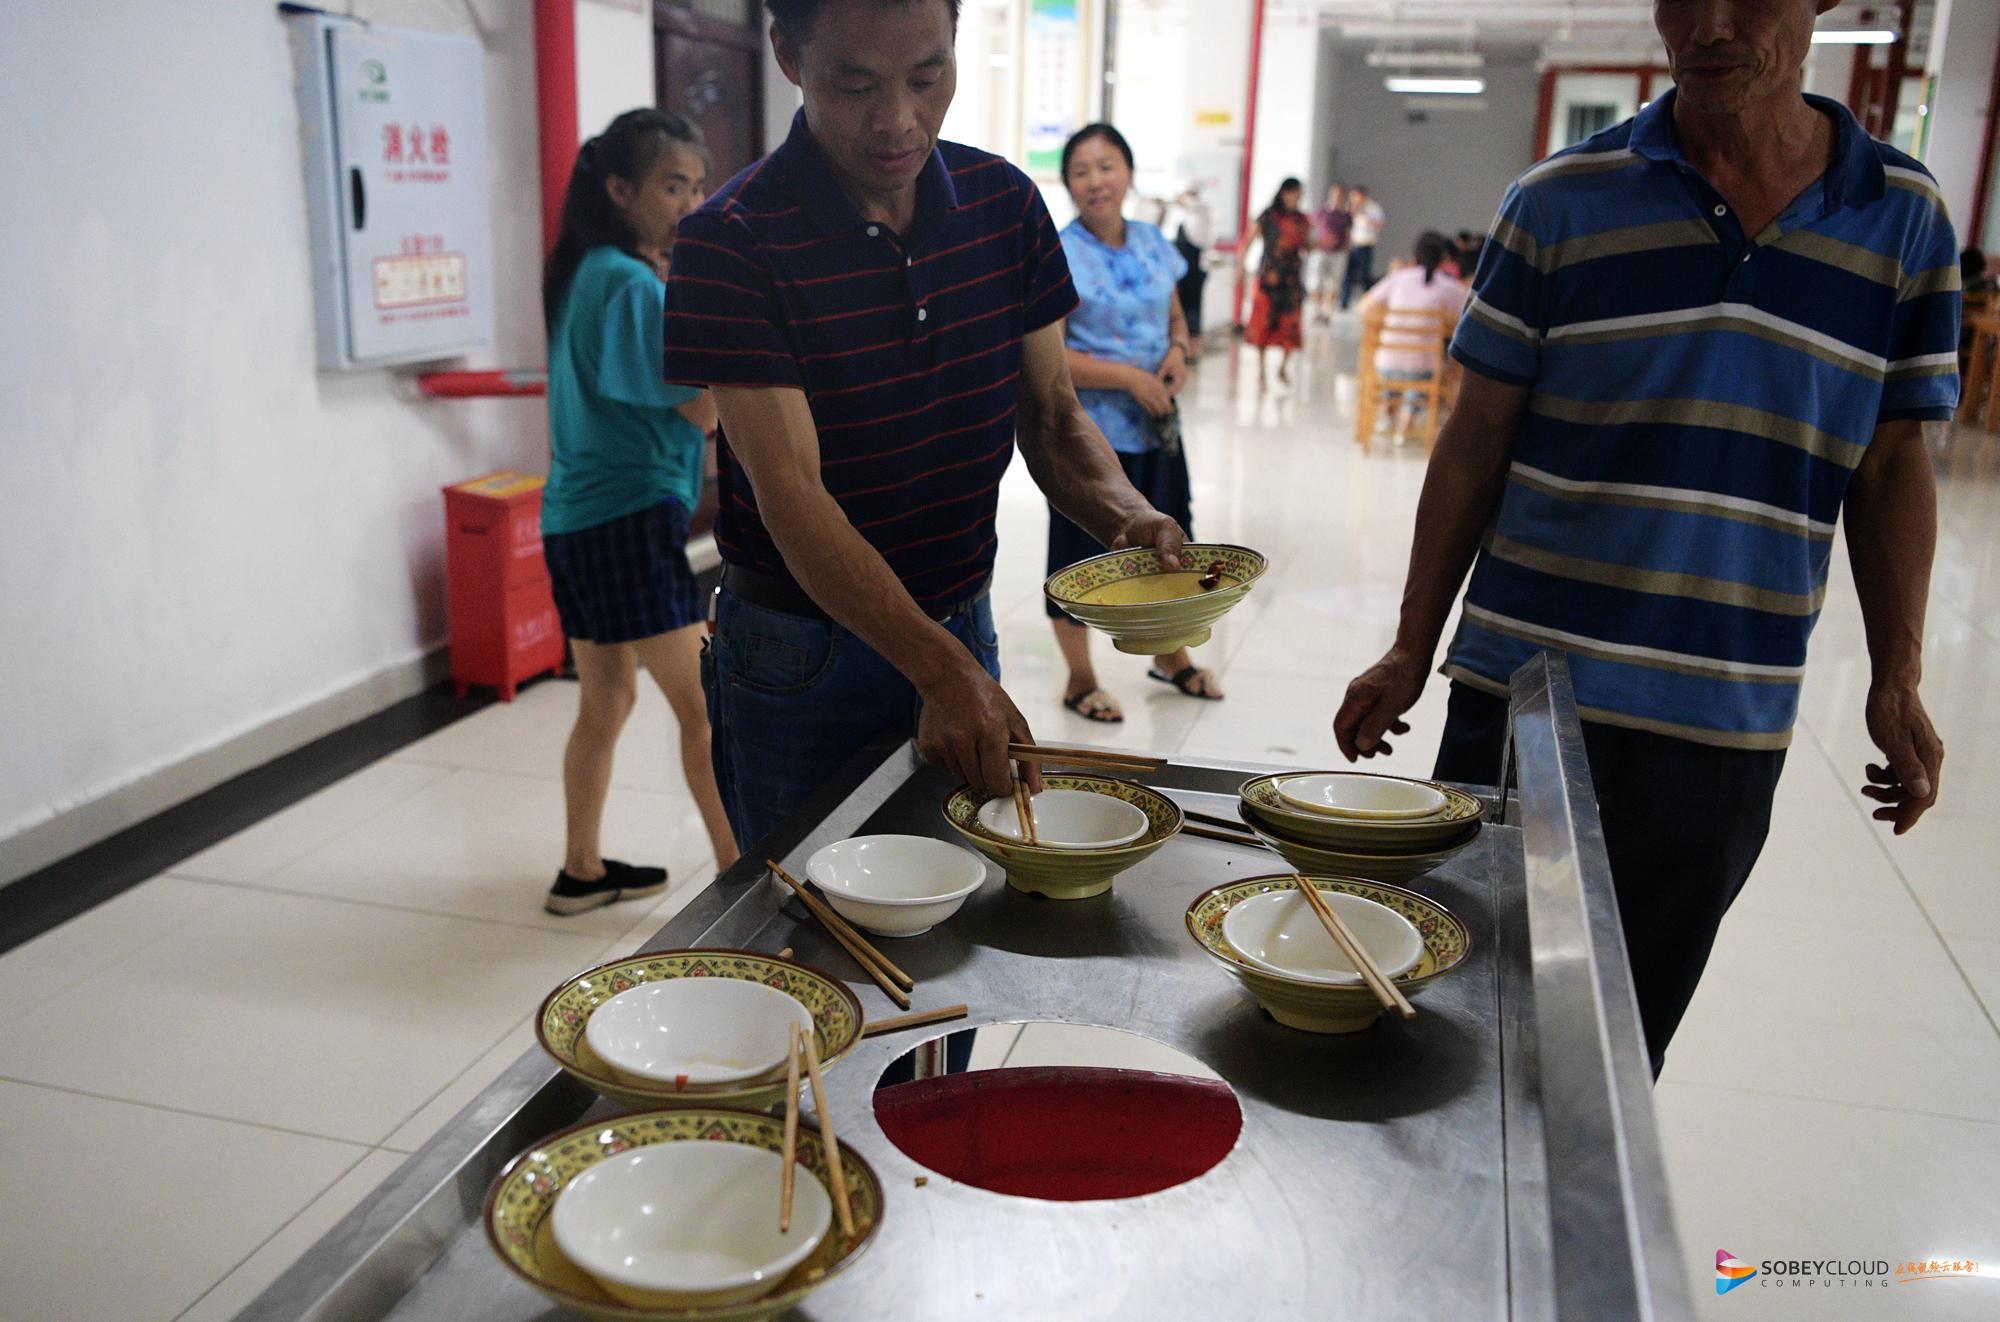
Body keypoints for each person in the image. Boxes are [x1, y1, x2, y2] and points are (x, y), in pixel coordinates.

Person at [1333, 0, 1958, 1077]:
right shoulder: (1557, 202)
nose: (1706, 25)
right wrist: (1408, 644)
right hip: (1526, 698)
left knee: (1610, 1053)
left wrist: (1895, 676)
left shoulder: (1900, 220)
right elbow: (1474, 439)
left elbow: (1893, 459)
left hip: (1721, 714)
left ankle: (1568, 1242)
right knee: (1445, 1024)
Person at [661, 0, 1185, 851]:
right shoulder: (732, 243)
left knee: (966, 903)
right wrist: (944, 670)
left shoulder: (1003, 207)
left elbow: (1052, 419)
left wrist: (1130, 519)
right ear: (788, 56)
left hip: (959, 617)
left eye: (927, 76)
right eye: (855, 83)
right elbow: (793, 499)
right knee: (812, 921)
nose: (898, 120)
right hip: (802, 653)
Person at [538, 109, 740, 915]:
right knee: (704, 707)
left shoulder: (586, 270)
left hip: (576, 521)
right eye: (670, 186)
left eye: (696, 187)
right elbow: (704, 410)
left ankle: (579, 872)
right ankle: (743, 881)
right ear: (620, 189)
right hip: (627, 519)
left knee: (607, 701)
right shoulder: (628, 282)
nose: (688, 204)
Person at [1045, 123, 1220, 724]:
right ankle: (1079, 678)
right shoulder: (1058, 251)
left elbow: (1176, 319)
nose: (1096, 181)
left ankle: (1170, 658)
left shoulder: (1151, 242)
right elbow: (1052, 357)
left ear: (1129, 172)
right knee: (1080, 555)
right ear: (1068, 183)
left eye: (1107, 165)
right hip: (1089, 435)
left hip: (1157, 428)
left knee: (1169, 542)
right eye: (1081, 171)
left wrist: (1178, 356)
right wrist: (1130, 379)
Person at [1355, 230, 1468, 442]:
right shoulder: (1449, 286)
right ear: (1443, 258)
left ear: (1414, 254)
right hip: (1424, 366)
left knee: (1394, 367)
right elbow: (1462, 315)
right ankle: (1407, 421)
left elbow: (1364, 307)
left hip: (1388, 363)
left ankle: (1390, 416)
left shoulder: (1398, 278)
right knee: (1431, 367)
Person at [1240, 177, 1311, 388]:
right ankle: (1261, 372)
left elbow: (1306, 246)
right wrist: (1240, 269)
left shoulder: (1302, 220)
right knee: (1263, 323)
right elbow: (1247, 242)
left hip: (1291, 279)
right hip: (1268, 278)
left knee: (1290, 324)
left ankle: (1282, 368)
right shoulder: (1268, 217)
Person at [1338, 185, 1385, 310]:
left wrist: (1365, 218)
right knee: (1348, 275)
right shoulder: (1349, 209)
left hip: (1366, 245)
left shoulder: (1373, 208)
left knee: (1365, 276)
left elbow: (1380, 225)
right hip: (1352, 245)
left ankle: (1369, 301)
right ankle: (1344, 301)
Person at [1311, 184, 1353, 322]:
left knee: (1334, 284)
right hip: (1321, 252)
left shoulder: (1346, 215)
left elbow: (1348, 234)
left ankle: (1328, 313)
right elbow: (1311, 226)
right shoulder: (1323, 211)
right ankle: (1317, 311)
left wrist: (1346, 249)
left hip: (1338, 253)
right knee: (1317, 282)